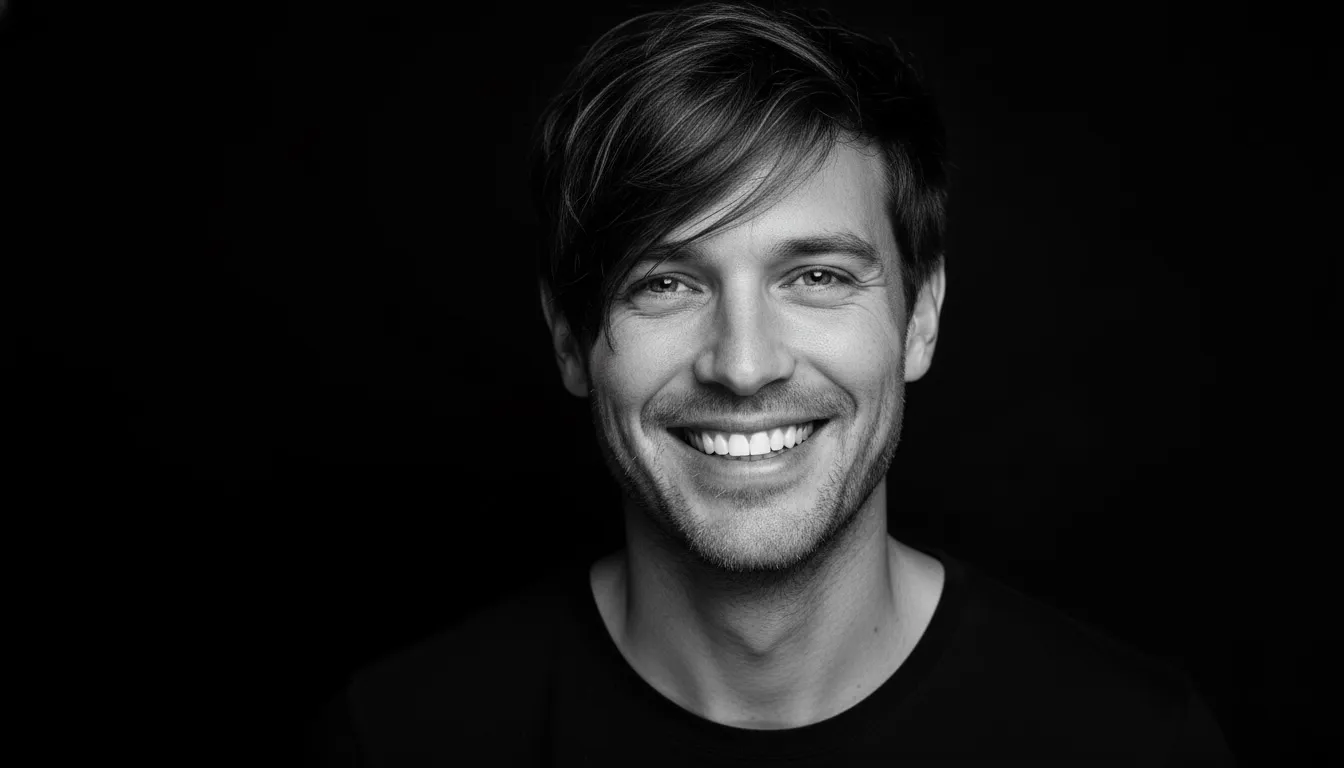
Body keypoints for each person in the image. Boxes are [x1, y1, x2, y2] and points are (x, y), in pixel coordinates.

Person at [305, 3, 1237, 765]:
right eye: (665, 282)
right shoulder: (399, 743)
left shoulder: (1130, 745)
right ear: (569, 340)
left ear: (921, 318)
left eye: (818, 277)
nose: (744, 365)